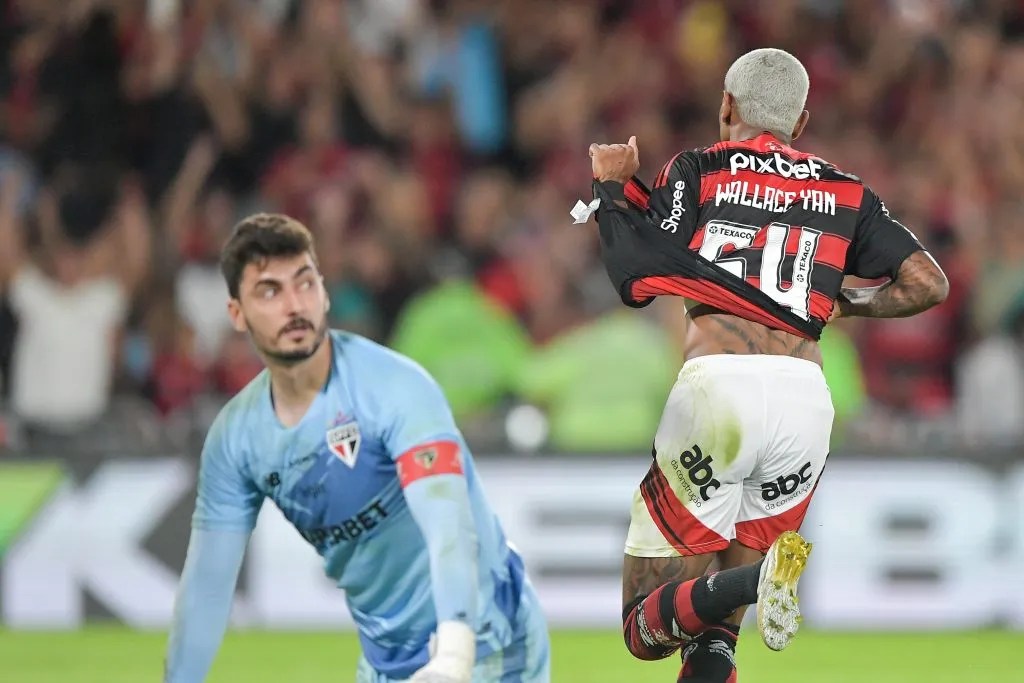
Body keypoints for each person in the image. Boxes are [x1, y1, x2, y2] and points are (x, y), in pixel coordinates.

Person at [586, 48, 949, 683]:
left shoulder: (701, 168)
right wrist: (845, 305)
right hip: (805, 402)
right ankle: (755, 582)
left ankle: (755, 580)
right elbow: (927, 284)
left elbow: (641, 262)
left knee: (644, 628)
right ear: (801, 122)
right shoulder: (846, 191)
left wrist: (611, 187)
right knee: (715, 639)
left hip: (719, 391)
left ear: (725, 105)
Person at [163, 214, 550, 683]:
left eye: (304, 284)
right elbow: (208, 584)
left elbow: (448, 524)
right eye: (270, 291)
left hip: (489, 640)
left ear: (324, 293)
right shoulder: (236, 438)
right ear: (237, 313)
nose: (293, 306)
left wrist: (453, 655)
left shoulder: (394, 388)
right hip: (387, 660)